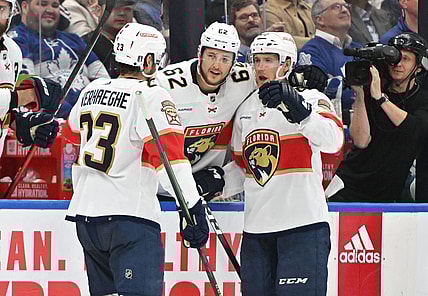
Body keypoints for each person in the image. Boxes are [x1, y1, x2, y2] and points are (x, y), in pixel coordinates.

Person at [65, 23, 209, 295]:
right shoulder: (150, 96)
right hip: (129, 220)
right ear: (148, 60)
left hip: (86, 219)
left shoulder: (91, 90)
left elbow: (70, 134)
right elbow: (171, 160)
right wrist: (191, 207)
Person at [226, 31, 343, 295]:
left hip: (302, 227)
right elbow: (243, 170)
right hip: (256, 232)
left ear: (287, 64)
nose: (260, 67)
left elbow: (333, 140)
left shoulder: (312, 98)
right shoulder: (245, 109)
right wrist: (212, 182)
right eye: (256, 60)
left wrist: (300, 110)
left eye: (269, 60)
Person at [154, 21, 257, 201]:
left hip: (206, 188)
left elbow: (275, 79)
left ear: (234, 62)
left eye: (225, 59)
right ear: (200, 54)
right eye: (211, 55)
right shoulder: (165, 83)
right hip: (160, 187)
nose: (216, 65)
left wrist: (302, 76)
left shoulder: (244, 80)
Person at [328, 32, 428, 202]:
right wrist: (360, 94)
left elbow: (415, 129)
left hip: (387, 192)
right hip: (350, 183)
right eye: (395, 57)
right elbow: (361, 140)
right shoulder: (373, 89)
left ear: (418, 67)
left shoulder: (422, 99)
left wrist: (380, 98)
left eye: (406, 59)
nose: (398, 64)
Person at [8, 0, 109, 119]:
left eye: (55, 5)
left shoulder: (74, 39)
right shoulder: (17, 39)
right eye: (43, 4)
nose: (50, 10)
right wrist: (73, 115)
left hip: (92, 115)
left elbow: (104, 80)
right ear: (24, 7)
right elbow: (28, 87)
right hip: (54, 120)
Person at [0, 0, 60, 156]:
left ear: (12, 12)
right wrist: (25, 96)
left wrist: (17, 122)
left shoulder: (12, 51)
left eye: (1, 9)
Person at [297, 0, 360, 126]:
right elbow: (317, 95)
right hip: (333, 127)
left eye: (346, 6)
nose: (344, 10)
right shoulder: (311, 52)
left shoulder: (359, 48)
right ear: (320, 20)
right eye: (336, 7)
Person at [82, 0, 135, 78]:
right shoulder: (85, 45)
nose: (122, 13)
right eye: (115, 8)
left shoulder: (137, 44)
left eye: (127, 9)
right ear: (98, 10)